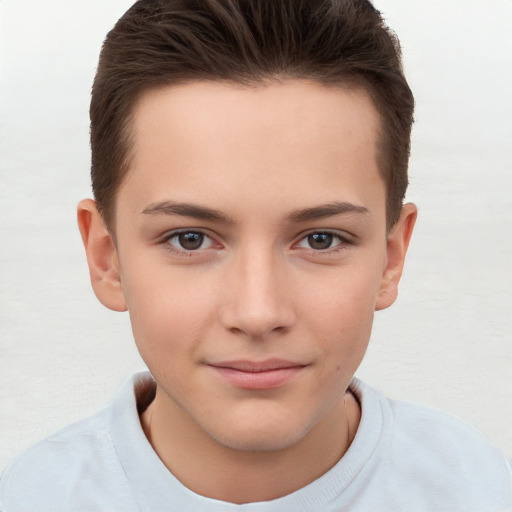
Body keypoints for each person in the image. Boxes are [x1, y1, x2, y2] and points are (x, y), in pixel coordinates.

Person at [0, 0, 510, 510]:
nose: (258, 313)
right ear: (106, 258)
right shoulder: (29, 497)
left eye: (321, 239)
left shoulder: (480, 490)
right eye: (190, 239)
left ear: (391, 258)